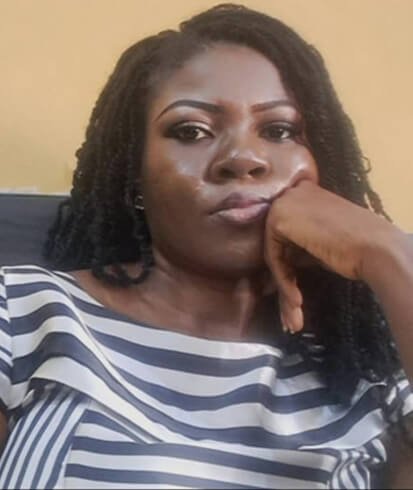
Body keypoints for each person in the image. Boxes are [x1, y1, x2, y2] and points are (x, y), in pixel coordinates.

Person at [0, 3, 412, 488]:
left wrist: (386, 253)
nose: (243, 158)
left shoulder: (374, 378)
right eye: (191, 131)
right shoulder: (25, 314)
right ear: (135, 175)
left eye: (279, 131)